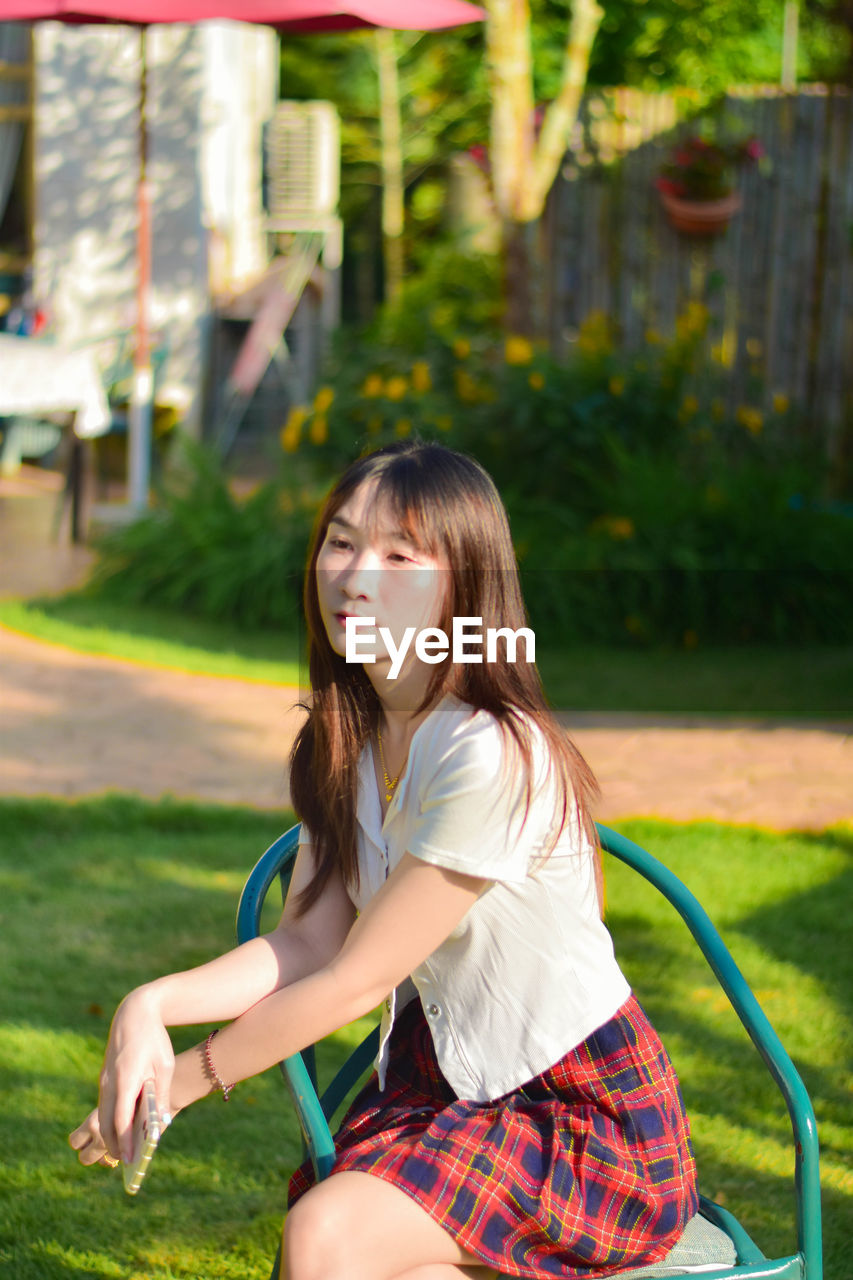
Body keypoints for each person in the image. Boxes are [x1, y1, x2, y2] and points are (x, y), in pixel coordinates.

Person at [70, 440, 698, 1279]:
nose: (356, 575)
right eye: (340, 542)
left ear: (464, 584)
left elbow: (356, 981)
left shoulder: (491, 754)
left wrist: (179, 1082)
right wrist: (147, 1005)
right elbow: (307, 946)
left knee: (327, 1238)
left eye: (400, 554)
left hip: (578, 1118)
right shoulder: (345, 737)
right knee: (361, 1253)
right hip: (443, 1089)